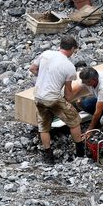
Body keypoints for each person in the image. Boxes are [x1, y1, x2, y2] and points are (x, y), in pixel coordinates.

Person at [28, 35, 85, 164]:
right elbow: (68, 93)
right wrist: (73, 102)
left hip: (38, 96)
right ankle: (80, 152)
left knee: (43, 125)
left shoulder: (46, 54)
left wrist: (42, 76)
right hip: (53, 98)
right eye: (74, 51)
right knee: (74, 119)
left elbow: (32, 68)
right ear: (71, 49)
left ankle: (49, 155)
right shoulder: (69, 66)